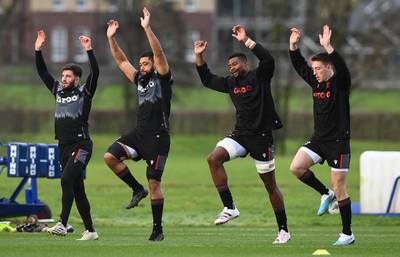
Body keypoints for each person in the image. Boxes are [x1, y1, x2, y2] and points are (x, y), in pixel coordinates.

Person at [194, 25, 290, 244]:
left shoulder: (260, 77)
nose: (232, 68)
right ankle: (229, 207)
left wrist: (247, 40)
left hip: (262, 138)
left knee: (270, 185)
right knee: (213, 158)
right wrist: (199, 56)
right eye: (229, 66)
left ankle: (283, 230)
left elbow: (268, 60)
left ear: (246, 63)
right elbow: (207, 79)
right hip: (240, 136)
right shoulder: (230, 84)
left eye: (235, 64)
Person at [104, 7, 172, 242]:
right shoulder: (139, 80)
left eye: (145, 63)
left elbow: (160, 53)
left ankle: (157, 230)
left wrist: (147, 28)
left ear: (153, 64)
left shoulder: (162, 78)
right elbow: (121, 60)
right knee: (109, 157)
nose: (142, 66)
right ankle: (136, 189)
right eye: (141, 63)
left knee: (154, 182)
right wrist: (111, 38)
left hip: (158, 138)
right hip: (139, 135)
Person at [289, 25, 354, 245]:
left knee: (341, 189)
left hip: (338, 143)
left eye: (318, 68)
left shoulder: (340, 83)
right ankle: (325, 194)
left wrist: (328, 47)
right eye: (313, 69)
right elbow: (299, 66)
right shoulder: (316, 82)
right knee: (296, 167)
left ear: (328, 67)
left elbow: (343, 69)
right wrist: (293, 46)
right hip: (319, 140)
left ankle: (347, 234)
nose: (314, 72)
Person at [35, 30, 99, 240]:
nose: (63, 79)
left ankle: (62, 223)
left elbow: (95, 73)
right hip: (63, 146)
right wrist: (38, 49)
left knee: (66, 180)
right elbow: (43, 72)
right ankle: (90, 230)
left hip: (81, 145)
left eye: (68, 76)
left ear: (76, 79)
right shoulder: (58, 92)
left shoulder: (84, 92)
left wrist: (89, 50)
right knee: (77, 189)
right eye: (62, 76)